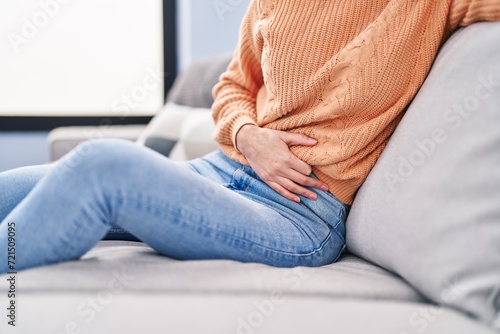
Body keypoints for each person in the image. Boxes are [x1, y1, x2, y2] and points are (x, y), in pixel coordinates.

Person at [1, 0, 499, 274]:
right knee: (10, 188)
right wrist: (248, 135)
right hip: (220, 171)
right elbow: (234, 86)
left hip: (298, 213)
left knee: (100, 167)